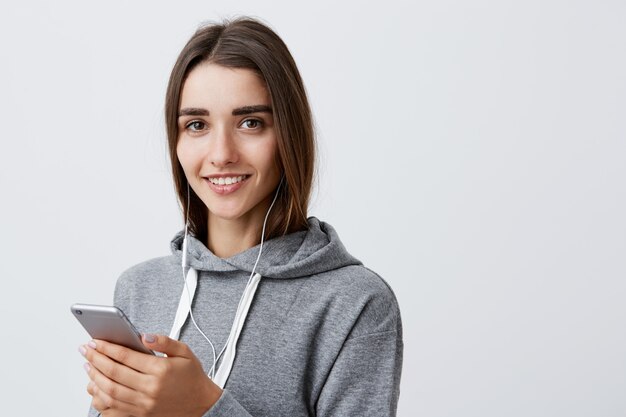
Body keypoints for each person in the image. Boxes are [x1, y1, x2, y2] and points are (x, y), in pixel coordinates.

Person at [79, 17, 403, 417]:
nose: (221, 154)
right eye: (196, 125)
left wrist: (203, 407)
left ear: (288, 134)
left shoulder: (354, 303)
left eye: (250, 123)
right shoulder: (140, 288)